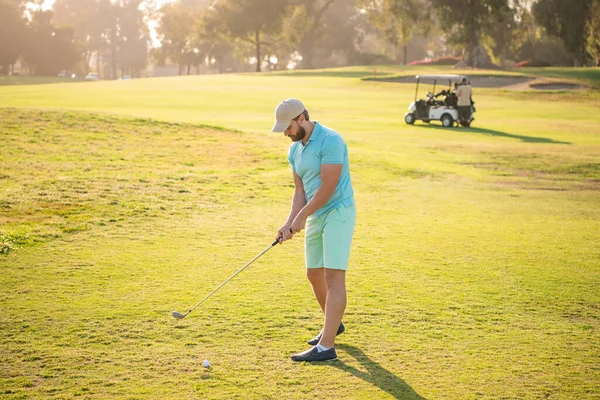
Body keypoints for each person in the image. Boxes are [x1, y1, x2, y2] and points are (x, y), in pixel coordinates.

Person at [271, 98, 356, 362]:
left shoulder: (330, 140)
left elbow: (327, 188)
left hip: (338, 212)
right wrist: (289, 222)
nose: (285, 133)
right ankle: (334, 323)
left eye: (288, 127)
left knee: (333, 277)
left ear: (302, 119)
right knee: (313, 274)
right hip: (316, 214)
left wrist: (302, 217)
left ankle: (326, 347)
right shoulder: (294, 151)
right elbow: (301, 191)